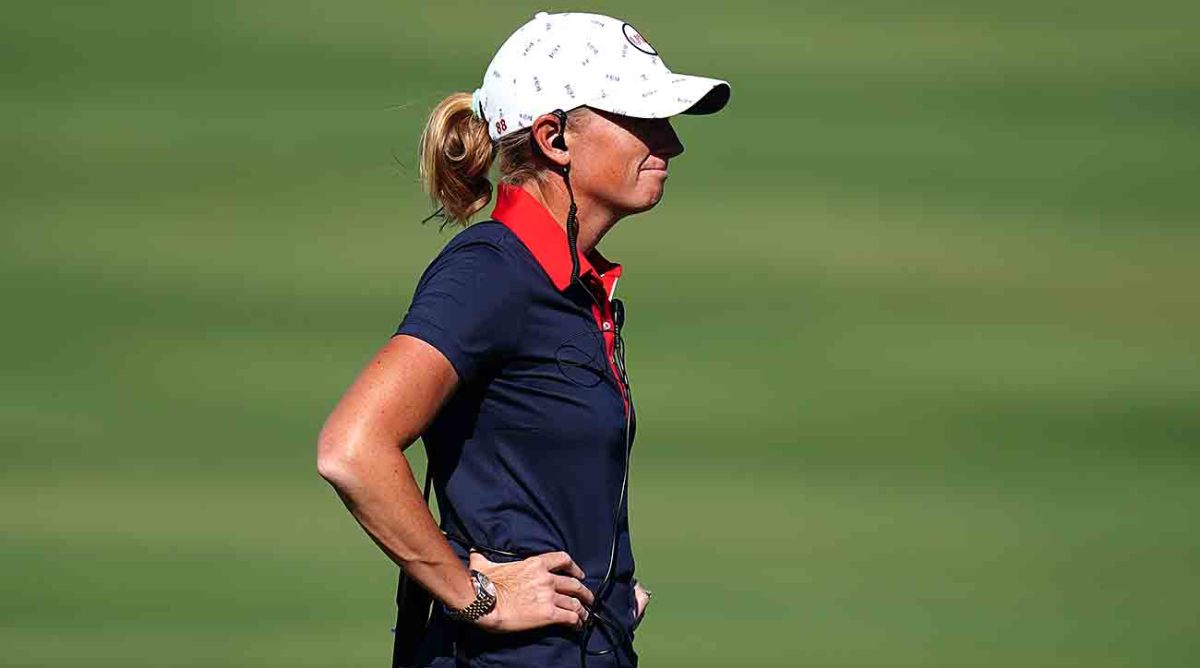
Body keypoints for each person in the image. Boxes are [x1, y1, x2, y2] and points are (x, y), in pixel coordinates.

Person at [317, 11, 729, 667]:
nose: (671, 144)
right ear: (554, 138)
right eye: (644, 120)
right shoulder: (491, 271)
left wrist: (610, 585)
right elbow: (352, 448)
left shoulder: (567, 282)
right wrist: (477, 596)